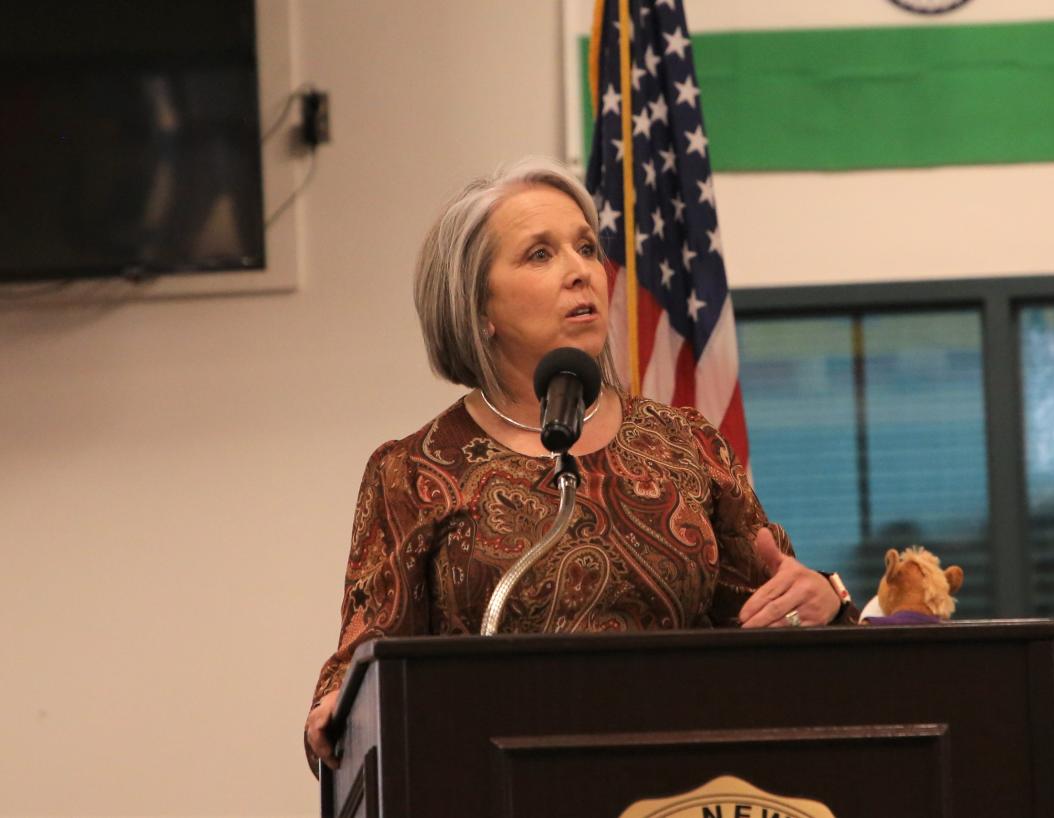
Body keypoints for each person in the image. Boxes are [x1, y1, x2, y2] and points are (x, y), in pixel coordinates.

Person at [305, 157, 854, 770]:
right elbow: (366, 660)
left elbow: (768, 618)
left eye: (587, 248)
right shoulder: (414, 471)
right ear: (478, 307)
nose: (580, 272)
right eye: (540, 254)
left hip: (683, 780)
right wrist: (337, 703)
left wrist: (824, 606)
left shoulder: (686, 444)